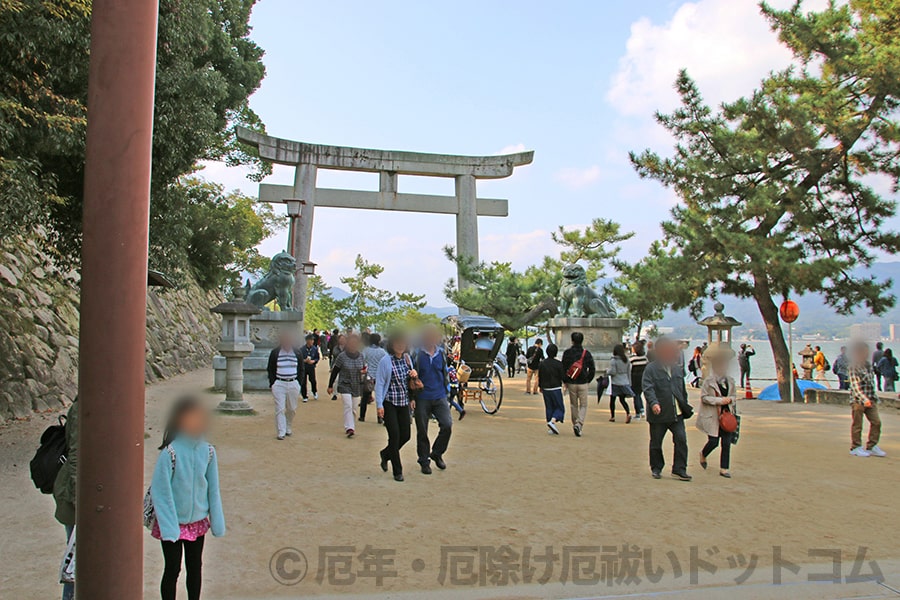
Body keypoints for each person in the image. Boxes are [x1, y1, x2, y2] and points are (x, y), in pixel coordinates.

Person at [150, 396, 225, 600]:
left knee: (195, 568)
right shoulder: (170, 453)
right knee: (172, 569)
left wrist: (217, 521)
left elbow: (213, 489)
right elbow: (161, 491)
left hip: (197, 522)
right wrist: (169, 526)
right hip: (172, 522)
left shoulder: (208, 452)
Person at [642, 336, 692, 481]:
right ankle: (656, 467)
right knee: (656, 442)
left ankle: (679, 469)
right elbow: (648, 388)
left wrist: (685, 403)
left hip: (677, 412)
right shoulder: (651, 369)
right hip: (659, 413)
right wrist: (654, 403)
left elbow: (681, 388)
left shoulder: (676, 369)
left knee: (681, 440)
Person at [375, 333, 417, 481]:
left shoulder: (407, 359)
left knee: (406, 435)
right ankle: (397, 471)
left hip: (404, 402)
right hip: (389, 402)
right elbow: (379, 383)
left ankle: (386, 454)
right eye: (397, 343)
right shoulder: (385, 361)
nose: (400, 346)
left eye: (403, 343)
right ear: (392, 345)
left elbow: (410, 382)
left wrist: (414, 374)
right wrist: (379, 405)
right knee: (394, 436)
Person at [413, 325, 453, 474]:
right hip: (422, 397)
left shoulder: (441, 353)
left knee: (447, 425)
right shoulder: (416, 354)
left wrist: (448, 392)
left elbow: (445, 373)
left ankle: (437, 452)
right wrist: (412, 397)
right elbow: (411, 375)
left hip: (440, 395)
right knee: (422, 430)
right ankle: (424, 460)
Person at [52, 397, 78, 600]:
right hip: (73, 493)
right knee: (76, 559)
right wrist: (81, 497)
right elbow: (77, 455)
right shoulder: (82, 410)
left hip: (80, 491)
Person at [698, 353, 738, 478]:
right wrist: (719, 400)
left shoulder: (730, 381)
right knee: (714, 441)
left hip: (727, 416)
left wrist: (730, 400)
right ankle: (703, 454)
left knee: (726, 443)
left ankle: (724, 468)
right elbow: (704, 397)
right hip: (713, 416)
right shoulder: (708, 382)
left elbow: (734, 396)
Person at [848, 342, 886, 457]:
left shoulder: (868, 365)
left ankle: (872, 445)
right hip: (858, 401)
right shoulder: (853, 366)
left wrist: (873, 398)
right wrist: (864, 399)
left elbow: (871, 383)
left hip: (870, 398)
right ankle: (856, 447)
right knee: (857, 424)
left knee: (876, 422)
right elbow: (855, 386)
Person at [327, 333, 366, 437]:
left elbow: (363, 368)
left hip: (356, 384)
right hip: (345, 384)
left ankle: (351, 424)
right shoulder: (342, 356)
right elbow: (335, 371)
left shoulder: (361, 356)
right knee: (348, 405)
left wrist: (363, 372)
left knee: (354, 408)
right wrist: (330, 385)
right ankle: (349, 428)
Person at [266, 331, 302, 440]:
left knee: (292, 408)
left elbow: (301, 368)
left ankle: (288, 425)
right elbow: (270, 368)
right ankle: (281, 431)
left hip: (293, 382)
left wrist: (299, 382)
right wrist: (273, 383)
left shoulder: (297, 352)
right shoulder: (275, 352)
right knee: (280, 408)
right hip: (279, 383)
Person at [561, 332, 596, 437]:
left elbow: (563, 368)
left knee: (573, 404)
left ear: (572, 340)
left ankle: (575, 423)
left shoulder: (567, 353)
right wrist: (588, 379)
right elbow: (592, 369)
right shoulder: (586, 353)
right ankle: (579, 423)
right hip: (583, 382)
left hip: (572, 382)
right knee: (584, 405)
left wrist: (566, 380)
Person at [537, 343, 565, 434]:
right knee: (560, 407)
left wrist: (540, 386)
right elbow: (562, 376)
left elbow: (540, 376)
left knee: (549, 407)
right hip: (555, 387)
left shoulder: (542, 363)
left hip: (545, 388)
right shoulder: (558, 364)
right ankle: (552, 421)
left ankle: (550, 426)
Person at [360, 333, 387, 424]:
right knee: (380, 398)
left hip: (368, 375)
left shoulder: (366, 350)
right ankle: (380, 417)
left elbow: (362, 360)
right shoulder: (382, 352)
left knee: (365, 397)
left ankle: (362, 416)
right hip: (379, 377)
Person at [607, 343, 633, 423]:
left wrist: (607, 371)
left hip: (616, 382)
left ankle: (613, 416)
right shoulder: (626, 360)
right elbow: (629, 372)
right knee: (622, 400)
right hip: (625, 381)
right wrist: (629, 383)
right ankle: (628, 413)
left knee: (612, 400)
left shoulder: (614, 360)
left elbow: (613, 372)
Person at [629, 341, 648, 420]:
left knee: (636, 395)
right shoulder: (645, 358)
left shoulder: (632, 359)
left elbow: (629, 369)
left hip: (634, 379)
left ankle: (639, 412)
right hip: (643, 378)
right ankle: (642, 410)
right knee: (639, 394)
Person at [299, 333, 320, 401]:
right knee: (303, 381)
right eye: (311, 340)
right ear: (307, 340)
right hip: (304, 367)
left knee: (313, 380)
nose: (312, 341)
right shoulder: (302, 349)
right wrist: (304, 360)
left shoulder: (314, 349)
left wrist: (313, 361)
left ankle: (314, 392)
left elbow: (317, 357)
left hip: (311, 366)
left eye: (313, 340)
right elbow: (299, 358)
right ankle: (304, 396)